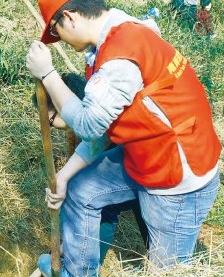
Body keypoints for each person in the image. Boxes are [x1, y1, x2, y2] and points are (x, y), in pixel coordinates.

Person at [26, 0, 221, 276]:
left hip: (178, 179)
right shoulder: (117, 35)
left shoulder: (120, 55)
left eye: (56, 32)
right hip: (147, 154)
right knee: (81, 191)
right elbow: (104, 131)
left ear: (69, 18)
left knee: (166, 270)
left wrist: (48, 74)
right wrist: (63, 177)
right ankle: (75, 272)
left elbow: (90, 124)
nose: (60, 39)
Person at [33, 73, 149, 264]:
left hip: (146, 168)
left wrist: (71, 244)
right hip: (138, 172)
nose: (50, 127)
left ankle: (84, 265)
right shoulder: (80, 127)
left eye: (50, 120)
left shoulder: (101, 120)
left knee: (108, 207)